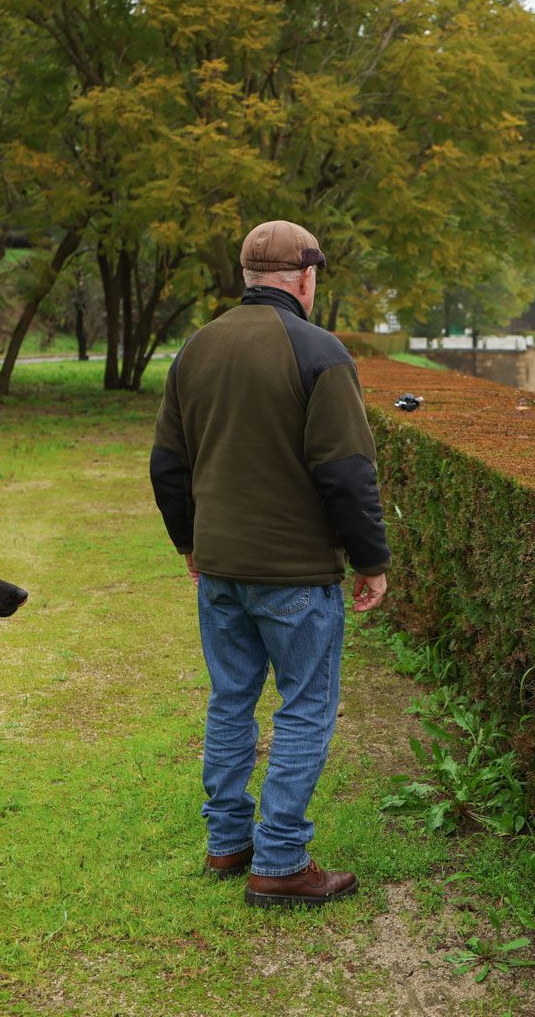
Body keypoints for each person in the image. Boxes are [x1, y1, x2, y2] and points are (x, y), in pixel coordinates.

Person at [149, 219, 390, 908]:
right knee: (305, 707)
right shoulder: (319, 351)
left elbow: (168, 465)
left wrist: (189, 543)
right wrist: (371, 559)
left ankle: (228, 843)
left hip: (221, 567)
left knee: (231, 700)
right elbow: (347, 472)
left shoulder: (197, 348)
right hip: (294, 574)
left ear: (249, 278)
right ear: (307, 278)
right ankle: (280, 861)